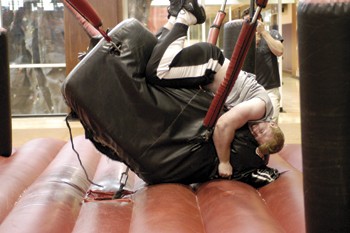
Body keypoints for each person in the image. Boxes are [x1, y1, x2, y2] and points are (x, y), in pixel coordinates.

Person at [146, 0, 284, 178]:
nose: (256, 132)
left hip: (208, 69)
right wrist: (224, 162)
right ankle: (186, 16)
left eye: (258, 137)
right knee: (157, 71)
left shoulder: (256, 119)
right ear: (272, 123)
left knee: (155, 61)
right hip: (209, 66)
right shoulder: (259, 108)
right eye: (263, 131)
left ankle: (174, 16)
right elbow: (223, 125)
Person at [243, 9, 284, 123]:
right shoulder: (243, 39)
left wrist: (264, 33)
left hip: (270, 89)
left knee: (271, 126)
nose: (250, 24)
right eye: (246, 21)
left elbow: (279, 51)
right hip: (250, 91)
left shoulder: (272, 33)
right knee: (253, 127)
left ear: (260, 20)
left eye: (252, 21)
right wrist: (252, 44)